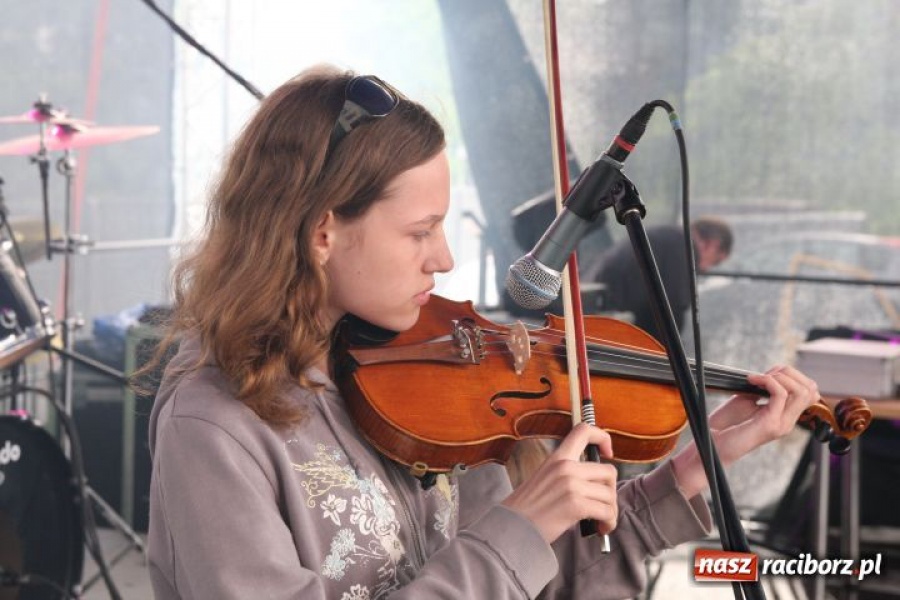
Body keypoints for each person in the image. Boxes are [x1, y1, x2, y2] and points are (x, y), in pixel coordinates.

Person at [146, 65, 818, 599]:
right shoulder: (214, 425)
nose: (442, 259)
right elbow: (506, 555)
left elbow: (550, 580)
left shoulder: (434, 389)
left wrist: (700, 464)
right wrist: (516, 529)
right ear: (323, 231)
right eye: (419, 231)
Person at [586, 217, 733, 341]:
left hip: (600, 315)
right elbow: (671, 312)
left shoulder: (666, 237)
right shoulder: (680, 246)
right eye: (715, 261)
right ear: (712, 245)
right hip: (612, 326)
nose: (707, 269)